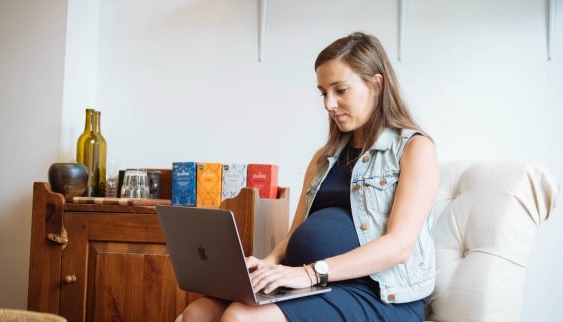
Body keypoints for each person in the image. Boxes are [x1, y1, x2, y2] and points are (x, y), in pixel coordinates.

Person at [182, 31, 439, 322]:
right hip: (311, 283)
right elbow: (293, 235)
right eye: (323, 92)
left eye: (340, 90)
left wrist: (310, 273)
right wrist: (264, 267)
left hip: (377, 293)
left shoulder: (414, 149)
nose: (328, 104)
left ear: (376, 85)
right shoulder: (323, 157)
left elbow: (399, 246)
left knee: (240, 318)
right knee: (198, 313)